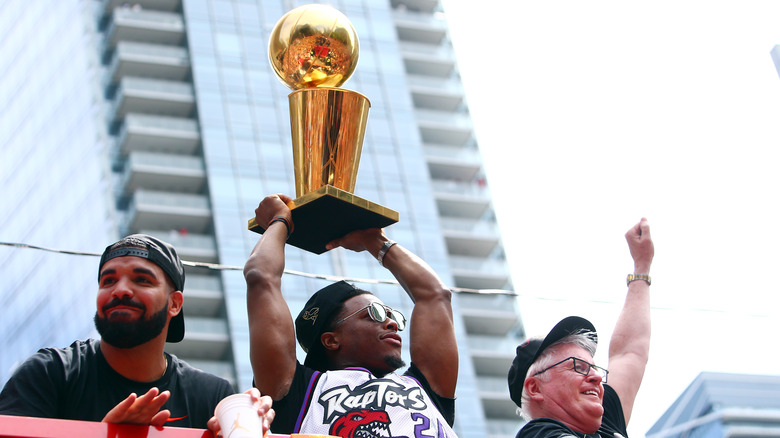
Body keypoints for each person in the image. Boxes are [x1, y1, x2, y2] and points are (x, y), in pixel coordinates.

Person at [0, 234, 266, 431]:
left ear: (174, 304)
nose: (120, 290)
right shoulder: (50, 372)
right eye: (108, 280)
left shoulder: (210, 395)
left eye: (142, 280)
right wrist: (106, 434)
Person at [244, 194, 459, 438]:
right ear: (331, 340)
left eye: (392, 315)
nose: (391, 323)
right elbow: (261, 278)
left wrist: (375, 241)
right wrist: (279, 220)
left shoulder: (425, 387)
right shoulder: (297, 393)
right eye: (374, 314)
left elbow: (435, 295)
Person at [507, 218, 654, 438]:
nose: (596, 377)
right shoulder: (539, 433)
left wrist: (641, 267)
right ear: (535, 388)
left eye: (595, 369)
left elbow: (629, 353)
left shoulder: (607, 423)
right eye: (578, 367)